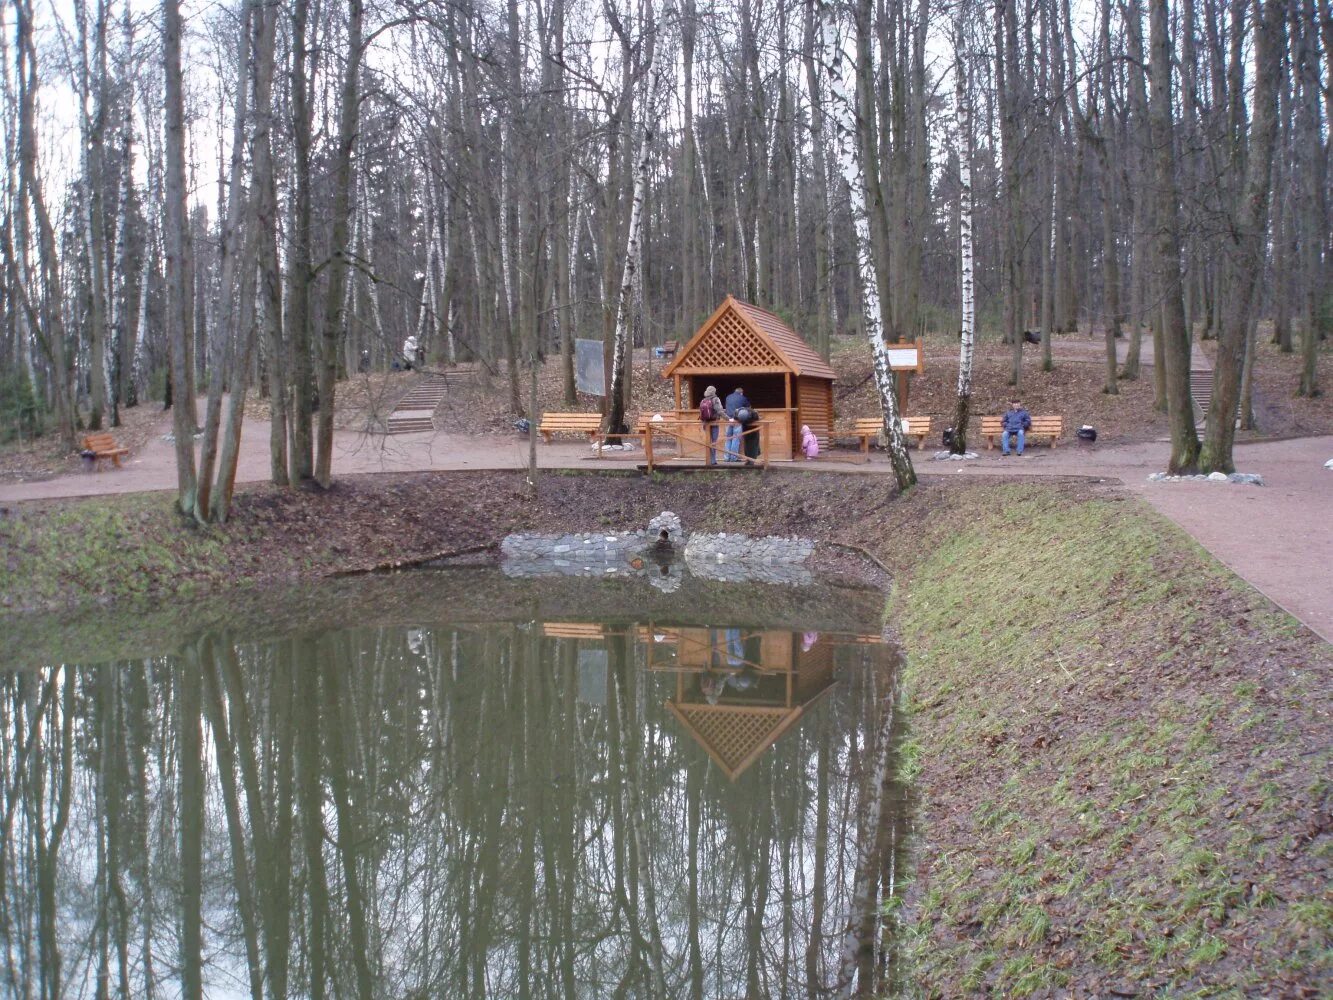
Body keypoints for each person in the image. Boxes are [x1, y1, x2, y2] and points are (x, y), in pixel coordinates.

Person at [699, 385, 724, 465]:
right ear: (714, 391)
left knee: (708, 441)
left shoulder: (703, 400)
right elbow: (719, 411)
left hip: (706, 423)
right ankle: (713, 460)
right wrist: (728, 418)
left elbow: (701, 412)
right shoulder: (716, 399)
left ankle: (708, 459)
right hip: (714, 423)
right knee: (714, 442)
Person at [723, 386, 749, 462]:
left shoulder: (728, 397)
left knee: (728, 439)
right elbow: (748, 408)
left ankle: (726, 458)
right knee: (736, 439)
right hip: (737, 420)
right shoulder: (743, 398)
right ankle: (733, 458)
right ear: (741, 393)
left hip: (728, 420)